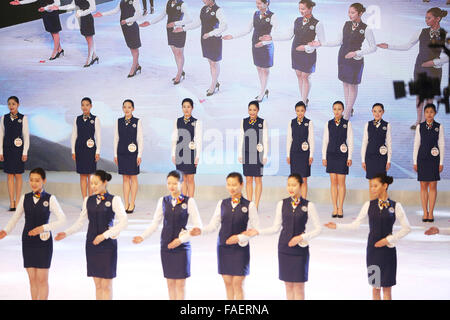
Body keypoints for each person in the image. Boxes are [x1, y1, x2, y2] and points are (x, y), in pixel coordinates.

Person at [324, 173, 411, 300]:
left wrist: (388, 240)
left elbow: (407, 228)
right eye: (371, 186)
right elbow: (355, 225)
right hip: (373, 251)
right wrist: (337, 226)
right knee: (375, 287)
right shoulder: (368, 205)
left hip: (388, 252)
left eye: (375, 186)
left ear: (385, 186)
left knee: (387, 288)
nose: (372, 189)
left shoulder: (396, 206)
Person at [244, 173, 321, 300]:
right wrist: (258, 231)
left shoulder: (308, 205)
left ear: (301, 186)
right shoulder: (282, 204)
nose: (290, 188)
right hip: (284, 249)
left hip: (300, 250)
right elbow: (275, 228)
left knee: (299, 288)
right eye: (288, 185)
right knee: (288, 286)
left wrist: (302, 237)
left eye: (294, 185)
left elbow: (319, 229)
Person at [55, 170, 128, 300]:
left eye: (96, 183)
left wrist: (104, 235)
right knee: (98, 285)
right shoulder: (88, 200)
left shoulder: (115, 200)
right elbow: (80, 222)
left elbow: (124, 222)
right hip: (91, 244)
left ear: (104, 183)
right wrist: (66, 233)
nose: (92, 186)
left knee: (106, 285)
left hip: (107, 245)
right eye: (92, 183)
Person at [132, 170, 202, 300]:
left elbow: (198, 226)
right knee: (170, 283)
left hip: (182, 246)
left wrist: (180, 240)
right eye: (169, 183)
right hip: (166, 245)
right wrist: (142, 236)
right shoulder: (163, 201)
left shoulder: (189, 201)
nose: (172, 186)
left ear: (181, 183)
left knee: (180, 284)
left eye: (175, 183)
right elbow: (155, 223)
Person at [0, 168, 66, 300]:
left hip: (44, 242)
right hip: (28, 241)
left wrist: (43, 228)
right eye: (31, 180)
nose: (34, 183)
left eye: (37, 180)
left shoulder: (50, 198)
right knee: (32, 280)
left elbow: (62, 219)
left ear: (44, 181)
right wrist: (6, 230)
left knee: (42, 279)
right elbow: (15, 217)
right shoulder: (25, 198)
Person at [377, 7, 448, 129]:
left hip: (434, 69)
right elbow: (407, 46)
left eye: (429, 18)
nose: (426, 20)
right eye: (425, 17)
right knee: (420, 95)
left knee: (429, 97)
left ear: (438, 18)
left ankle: (428, 122)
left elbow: (447, 55)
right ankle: (418, 121)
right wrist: (388, 46)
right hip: (420, 67)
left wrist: (433, 62)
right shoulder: (421, 32)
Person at [310, 2, 376, 119]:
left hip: (355, 59)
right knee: (345, 83)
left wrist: (356, 53)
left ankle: (347, 112)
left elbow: (373, 47)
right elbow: (338, 41)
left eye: (353, 12)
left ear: (360, 13)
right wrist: (322, 43)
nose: (350, 15)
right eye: (349, 12)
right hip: (342, 57)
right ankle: (348, 108)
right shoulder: (346, 24)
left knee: (352, 85)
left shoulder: (366, 28)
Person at [200, 172, 259, 300]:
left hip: (240, 249)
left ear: (241, 185)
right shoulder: (222, 203)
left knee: (237, 283)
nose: (231, 188)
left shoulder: (250, 205)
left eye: (234, 185)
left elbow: (256, 230)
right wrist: (199, 231)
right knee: (227, 283)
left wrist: (239, 238)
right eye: (229, 185)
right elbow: (213, 225)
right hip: (223, 247)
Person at [222, 0, 278, 102]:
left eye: (260, 3)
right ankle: (263, 89)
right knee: (259, 68)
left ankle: (262, 92)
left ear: (267, 3)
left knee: (265, 69)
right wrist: (232, 36)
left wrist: (264, 43)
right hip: (255, 44)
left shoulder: (272, 16)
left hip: (266, 46)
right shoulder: (255, 14)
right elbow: (247, 29)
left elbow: (274, 33)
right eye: (257, 3)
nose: (258, 5)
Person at [174, 0, 227, 96]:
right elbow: (197, 23)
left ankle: (213, 84)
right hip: (205, 39)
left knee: (214, 63)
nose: (203, 0)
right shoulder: (203, 9)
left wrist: (211, 34)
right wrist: (182, 28)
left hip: (214, 39)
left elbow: (224, 26)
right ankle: (215, 81)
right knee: (210, 62)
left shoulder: (218, 10)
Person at [139, 0, 192, 84]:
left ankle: (179, 74)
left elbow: (189, 19)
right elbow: (161, 16)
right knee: (175, 52)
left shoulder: (182, 4)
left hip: (179, 30)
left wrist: (175, 23)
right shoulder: (168, 3)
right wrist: (149, 22)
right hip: (169, 30)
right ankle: (180, 70)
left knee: (179, 53)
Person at [94, 0, 143, 77]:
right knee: (131, 47)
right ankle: (137, 65)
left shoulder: (135, 0)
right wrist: (102, 14)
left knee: (134, 48)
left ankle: (133, 69)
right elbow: (115, 10)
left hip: (132, 26)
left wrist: (127, 20)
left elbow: (139, 14)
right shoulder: (122, 0)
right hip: (124, 27)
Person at [413, 103, 445, 222]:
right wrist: (415, 162)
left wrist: (441, 162)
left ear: (435, 113)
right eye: (427, 112)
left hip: (434, 160)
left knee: (432, 185)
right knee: (423, 186)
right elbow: (416, 145)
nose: (429, 114)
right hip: (422, 159)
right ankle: (424, 212)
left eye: (431, 112)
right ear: (424, 114)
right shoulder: (419, 127)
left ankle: (431, 212)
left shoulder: (439, 127)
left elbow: (441, 144)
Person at [322, 100, 353, 218]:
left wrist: (349, 157)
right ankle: (334, 207)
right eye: (335, 109)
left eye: (339, 109)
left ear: (343, 110)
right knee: (333, 182)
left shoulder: (347, 123)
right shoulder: (328, 123)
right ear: (332, 110)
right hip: (331, 155)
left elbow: (350, 141)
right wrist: (324, 157)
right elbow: (325, 141)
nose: (337, 111)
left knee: (341, 182)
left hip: (342, 156)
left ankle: (341, 207)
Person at [113, 99, 143, 213]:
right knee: (125, 178)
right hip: (122, 153)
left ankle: (133, 202)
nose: (127, 109)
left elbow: (140, 139)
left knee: (133, 177)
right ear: (122, 108)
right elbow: (116, 138)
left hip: (133, 154)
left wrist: (139, 155)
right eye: (125, 107)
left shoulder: (137, 121)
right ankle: (126, 203)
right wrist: (115, 154)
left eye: (129, 107)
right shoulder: (119, 121)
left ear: (133, 109)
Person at [0, 96, 30, 212]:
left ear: (18, 105)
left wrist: (25, 152)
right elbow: (1, 135)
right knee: (9, 175)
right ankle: (11, 201)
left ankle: (18, 201)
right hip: (7, 150)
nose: (11, 106)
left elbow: (26, 136)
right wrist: (0, 151)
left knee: (18, 175)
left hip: (18, 151)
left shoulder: (23, 118)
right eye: (9, 104)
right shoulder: (4, 118)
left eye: (13, 104)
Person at [238, 100, 268, 209]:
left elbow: (265, 139)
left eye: (254, 110)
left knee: (258, 179)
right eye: (250, 109)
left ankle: (256, 205)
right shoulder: (244, 121)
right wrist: (240, 154)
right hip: (246, 153)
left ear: (258, 110)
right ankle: (250, 204)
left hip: (258, 154)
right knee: (248, 179)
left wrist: (265, 155)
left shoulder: (262, 122)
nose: (252, 112)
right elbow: (241, 138)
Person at [71, 97, 101, 200]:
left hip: (91, 151)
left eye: (87, 105)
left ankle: (91, 200)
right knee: (82, 176)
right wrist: (73, 151)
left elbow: (98, 136)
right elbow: (74, 135)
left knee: (90, 176)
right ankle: (85, 201)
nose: (85, 107)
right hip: (80, 150)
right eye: (83, 105)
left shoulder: (95, 119)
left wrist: (98, 152)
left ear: (91, 106)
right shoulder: (77, 119)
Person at [287, 101, 314, 198]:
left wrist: (311, 155)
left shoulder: (309, 122)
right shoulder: (292, 122)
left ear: (305, 111)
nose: (300, 113)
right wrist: (288, 155)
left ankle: (304, 201)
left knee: (304, 179)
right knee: (295, 180)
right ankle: (295, 200)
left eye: (302, 110)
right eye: (298, 111)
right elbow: (289, 139)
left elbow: (311, 140)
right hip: (294, 153)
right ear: (295, 111)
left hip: (304, 154)